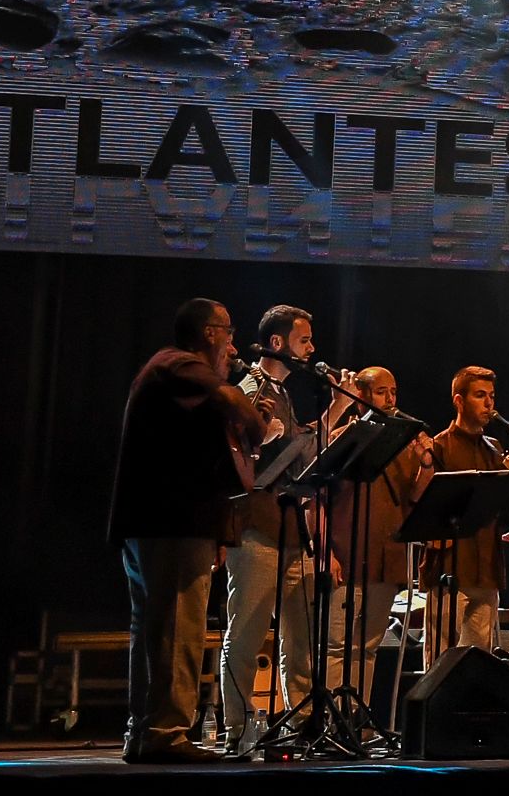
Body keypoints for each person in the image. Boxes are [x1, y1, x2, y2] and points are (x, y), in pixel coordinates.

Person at [108, 298, 278, 762]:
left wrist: (219, 532)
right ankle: (166, 733)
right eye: (229, 333)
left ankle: (145, 732)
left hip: (163, 522)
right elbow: (229, 399)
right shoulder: (176, 363)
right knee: (178, 629)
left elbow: (202, 454)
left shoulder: (178, 381)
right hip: (170, 523)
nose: (234, 346)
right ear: (209, 333)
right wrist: (255, 424)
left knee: (155, 629)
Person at [220, 303, 321, 751]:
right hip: (257, 529)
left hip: (291, 529)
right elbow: (235, 457)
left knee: (300, 640)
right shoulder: (249, 387)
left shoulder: (283, 391)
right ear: (277, 342)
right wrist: (267, 436)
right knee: (246, 633)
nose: (311, 348)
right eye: (304, 340)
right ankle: (237, 727)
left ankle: (302, 723)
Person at [325, 366, 431, 705]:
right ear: (361, 396)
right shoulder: (343, 437)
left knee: (369, 646)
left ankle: (358, 716)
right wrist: (327, 553)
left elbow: (414, 498)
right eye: (382, 391)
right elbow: (318, 500)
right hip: (347, 554)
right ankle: (331, 718)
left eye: (393, 391)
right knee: (337, 646)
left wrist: (426, 464)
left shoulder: (403, 445)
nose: (390, 399)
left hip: (386, 558)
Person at [422, 366, 509, 658]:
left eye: (491, 396)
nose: (489, 403)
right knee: (441, 655)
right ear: (459, 401)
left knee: (479, 658)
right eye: (480, 395)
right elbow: (426, 505)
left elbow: (500, 507)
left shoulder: (494, 448)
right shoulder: (439, 445)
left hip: (487, 565)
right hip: (450, 565)